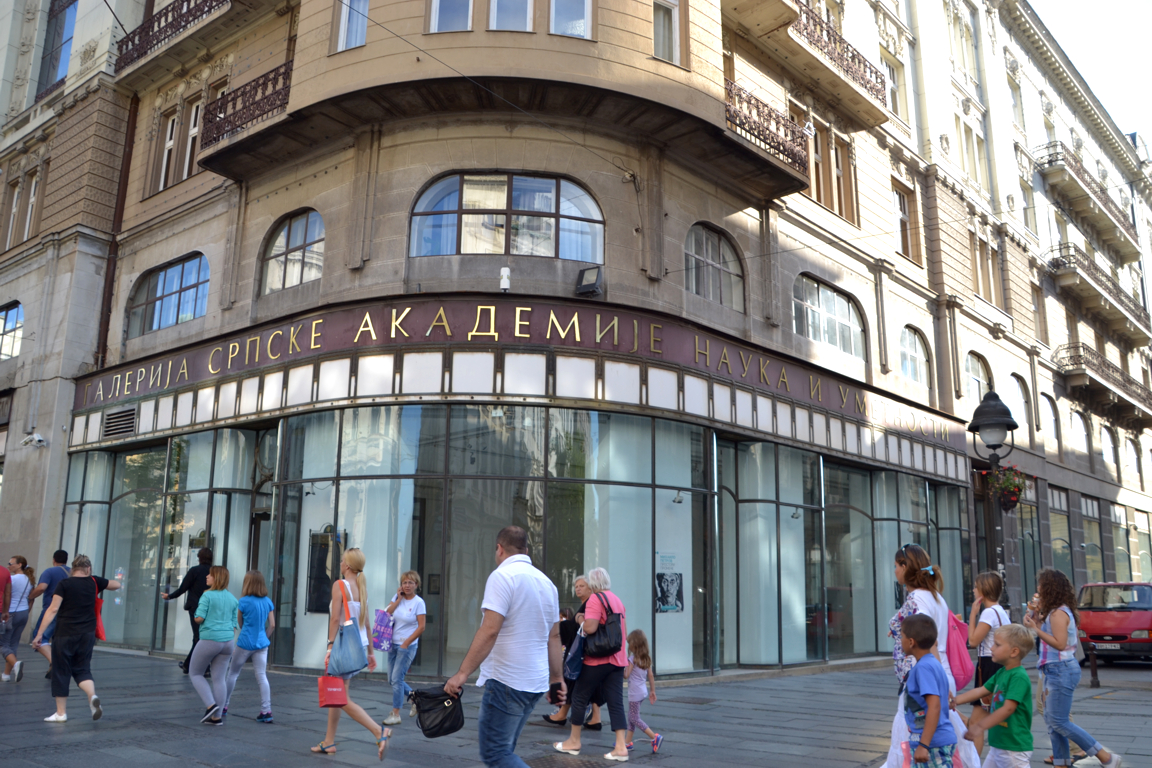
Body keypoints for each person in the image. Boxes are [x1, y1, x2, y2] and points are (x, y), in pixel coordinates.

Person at [444, 526, 564, 768]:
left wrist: (462, 673)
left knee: (496, 753)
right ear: (526, 550)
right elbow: (554, 637)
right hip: (535, 682)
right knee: (505, 750)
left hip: (507, 681)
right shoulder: (547, 583)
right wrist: (557, 679)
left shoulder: (502, 577)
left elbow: (490, 630)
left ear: (499, 549)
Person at [885, 544, 979, 768]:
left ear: (905, 567)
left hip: (924, 677)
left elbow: (929, 640)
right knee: (940, 733)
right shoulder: (933, 596)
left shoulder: (917, 599)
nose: (894, 570)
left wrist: (938, 681)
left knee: (910, 735)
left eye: (896, 565)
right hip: (936, 673)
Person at [1023, 569, 1122, 768]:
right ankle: (1061, 763)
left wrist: (1035, 629)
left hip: (1061, 670)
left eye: (1041, 585)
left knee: (1059, 721)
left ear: (1050, 588)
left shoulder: (1058, 613)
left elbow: (1059, 644)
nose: (1038, 589)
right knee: (1052, 721)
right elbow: (1050, 636)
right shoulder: (1054, 611)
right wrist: (1036, 620)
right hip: (1053, 669)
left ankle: (1106, 757)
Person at [311, 548, 389, 760]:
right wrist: (371, 653)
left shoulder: (340, 585)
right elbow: (367, 622)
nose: (340, 563)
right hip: (358, 646)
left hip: (343, 647)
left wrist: (329, 647)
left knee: (340, 697)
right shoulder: (361, 587)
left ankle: (378, 731)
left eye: (342, 560)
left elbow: (335, 619)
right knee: (337, 693)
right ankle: (328, 741)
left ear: (347, 565)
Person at [31, 554, 121, 722]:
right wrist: (100, 581)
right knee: (82, 669)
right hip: (87, 634)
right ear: (88, 569)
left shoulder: (64, 584)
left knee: (61, 671)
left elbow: (53, 609)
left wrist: (39, 634)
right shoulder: (94, 581)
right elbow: (116, 584)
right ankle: (92, 696)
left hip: (65, 633)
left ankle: (61, 713)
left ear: (73, 569)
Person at [554, 567, 629, 761]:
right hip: (617, 660)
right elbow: (623, 632)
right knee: (616, 701)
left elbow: (590, 627)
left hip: (597, 659)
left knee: (579, 696)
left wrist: (580, 618)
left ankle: (574, 741)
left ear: (593, 584)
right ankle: (621, 747)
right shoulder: (617, 600)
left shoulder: (596, 599)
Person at [951, 624, 1035, 768]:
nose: (991, 648)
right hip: (999, 745)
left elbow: (1008, 708)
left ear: (1014, 652)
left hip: (1013, 748)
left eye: (997, 645)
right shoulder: (1002, 672)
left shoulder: (1018, 676)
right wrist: (955, 701)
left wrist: (980, 726)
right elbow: (980, 691)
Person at [896, 614, 957, 768]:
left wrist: (924, 744)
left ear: (911, 642)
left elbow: (934, 706)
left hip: (932, 744)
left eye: (902, 636)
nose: (900, 640)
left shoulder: (923, 668)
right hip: (933, 741)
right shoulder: (933, 664)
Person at [966, 571, 1010, 753]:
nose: (973, 590)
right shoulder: (1000, 611)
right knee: (984, 717)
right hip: (999, 665)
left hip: (988, 666)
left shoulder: (988, 613)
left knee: (976, 722)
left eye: (976, 587)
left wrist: (972, 615)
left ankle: (974, 762)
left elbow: (973, 641)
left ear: (983, 591)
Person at [189, 565, 238, 726]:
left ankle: (210, 705)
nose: (207, 576)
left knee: (195, 673)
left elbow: (199, 618)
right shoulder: (233, 598)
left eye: (210, 575)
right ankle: (216, 717)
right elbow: (234, 624)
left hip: (210, 639)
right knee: (219, 679)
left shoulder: (207, 595)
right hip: (228, 642)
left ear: (216, 578)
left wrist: (196, 613)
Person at [224, 570, 275, 723]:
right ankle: (266, 711)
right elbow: (272, 625)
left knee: (233, 674)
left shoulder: (243, 601)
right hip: (262, 644)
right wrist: (264, 637)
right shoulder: (267, 601)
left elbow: (239, 623)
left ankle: (223, 705)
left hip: (245, 642)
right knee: (262, 676)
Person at [383, 569, 426, 725]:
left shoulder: (419, 603)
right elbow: (386, 613)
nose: (407, 585)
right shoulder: (397, 598)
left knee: (397, 679)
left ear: (416, 585)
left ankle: (396, 714)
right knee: (391, 679)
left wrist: (406, 643)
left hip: (406, 647)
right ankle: (415, 698)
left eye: (410, 582)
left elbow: (421, 627)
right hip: (392, 644)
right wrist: (398, 599)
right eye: (404, 582)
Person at [162, 547, 213, 674]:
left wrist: (169, 596)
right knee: (204, 637)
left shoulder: (194, 571)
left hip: (195, 607)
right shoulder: (214, 572)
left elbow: (182, 588)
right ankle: (195, 665)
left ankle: (194, 666)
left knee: (198, 637)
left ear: (199, 558)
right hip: (210, 608)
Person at [29, 550, 70, 678]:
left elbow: (41, 587)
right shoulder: (72, 573)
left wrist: (30, 596)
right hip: (69, 611)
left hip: (52, 609)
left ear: (54, 560)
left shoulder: (49, 572)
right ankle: (53, 667)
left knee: (39, 638)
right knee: (58, 640)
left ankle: (56, 664)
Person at [623, 629, 661, 754]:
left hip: (634, 693)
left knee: (634, 718)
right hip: (642, 692)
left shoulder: (632, 659)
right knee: (631, 717)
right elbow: (651, 676)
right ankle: (627, 743)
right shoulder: (646, 659)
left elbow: (626, 675)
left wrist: (621, 666)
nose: (628, 646)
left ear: (635, 644)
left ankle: (654, 737)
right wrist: (652, 691)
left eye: (630, 643)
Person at [2, 555, 34, 682]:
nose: (8, 566)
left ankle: (15, 664)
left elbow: (6, 594)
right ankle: (6, 674)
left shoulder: (12, 579)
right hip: (23, 612)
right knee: (13, 644)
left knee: (3, 644)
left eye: (11, 564)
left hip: (11, 613)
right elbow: (31, 598)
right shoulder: (29, 579)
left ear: (19, 565)